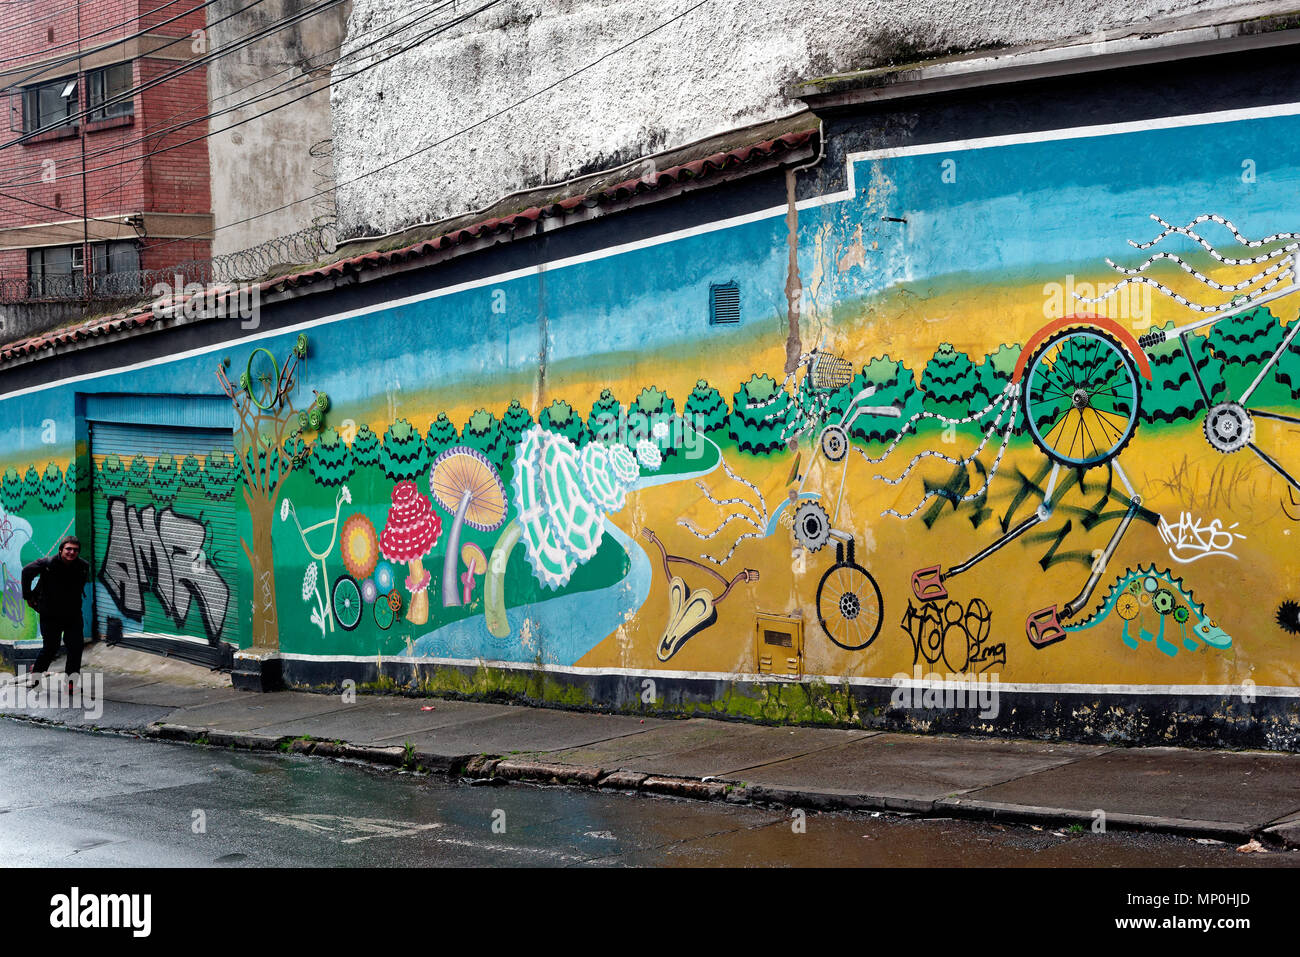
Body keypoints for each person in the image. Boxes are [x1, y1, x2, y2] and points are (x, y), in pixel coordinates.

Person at [21, 536, 90, 689]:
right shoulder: (47, 564)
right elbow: (26, 572)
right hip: (50, 614)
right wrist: (28, 596)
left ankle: (71, 683)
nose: (72, 552)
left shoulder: (83, 566)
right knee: (51, 647)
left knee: (76, 647)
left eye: (75, 550)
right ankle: (36, 675)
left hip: (72, 614)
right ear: (61, 550)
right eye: (68, 549)